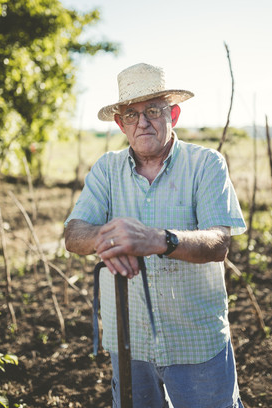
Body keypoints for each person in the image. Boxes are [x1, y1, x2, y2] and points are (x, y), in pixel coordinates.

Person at [64, 62, 246, 408]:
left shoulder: (206, 164)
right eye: (131, 115)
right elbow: (74, 233)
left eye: (153, 110)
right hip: (129, 339)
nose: (142, 122)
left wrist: (161, 240)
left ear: (173, 114)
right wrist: (110, 238)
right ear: (120, 124)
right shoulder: (106, 169)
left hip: (195, 337)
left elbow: (219, 243)